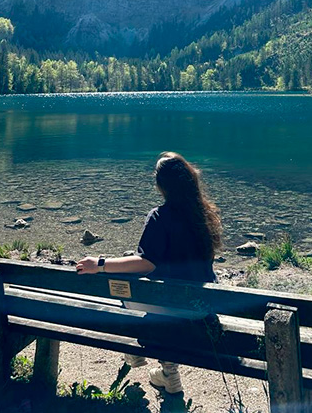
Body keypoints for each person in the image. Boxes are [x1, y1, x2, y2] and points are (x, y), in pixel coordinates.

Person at [76, 151, 223, 394]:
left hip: (171, 307)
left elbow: (147, 263)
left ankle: (134, 353)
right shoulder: (205, 217)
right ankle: (168, 374)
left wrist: (100, 263)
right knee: (149, 287)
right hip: (201, 308)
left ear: (160, 185)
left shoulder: (159, 216)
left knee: (124, 280)